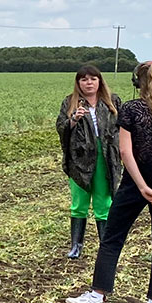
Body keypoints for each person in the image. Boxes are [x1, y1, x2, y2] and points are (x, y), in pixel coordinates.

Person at [66, 60, 152, 303]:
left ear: (139, 83)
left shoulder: (133, 109)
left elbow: (126, 152)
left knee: (113, 238)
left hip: (135, 183)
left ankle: (97, 295)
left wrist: (142, 186)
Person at [55, 64, 121, 258]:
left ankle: (105, 245)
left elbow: (122, 128)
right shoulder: (70, 102)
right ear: (78, 83)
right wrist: (73, 120)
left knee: (104, 202)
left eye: (92, 78)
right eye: (84, 79)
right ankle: (76, 246)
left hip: (106, 156)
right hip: (79, 158)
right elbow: (61, 127)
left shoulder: (112, 101)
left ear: (100, 81)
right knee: (79, 202)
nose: (88, 83)